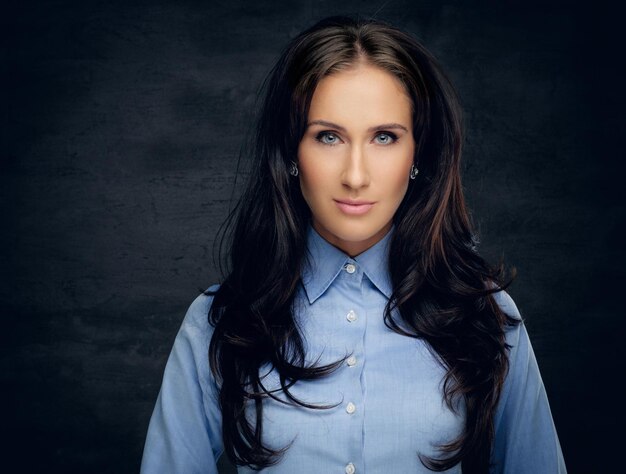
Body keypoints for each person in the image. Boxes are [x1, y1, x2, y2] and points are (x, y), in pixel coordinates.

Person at [140, 16, 566, 474]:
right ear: (291, 154)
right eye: (328, 136)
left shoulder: (487, 316)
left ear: (417, 154)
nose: (356, 176)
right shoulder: (218, 322)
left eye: (384, 137)